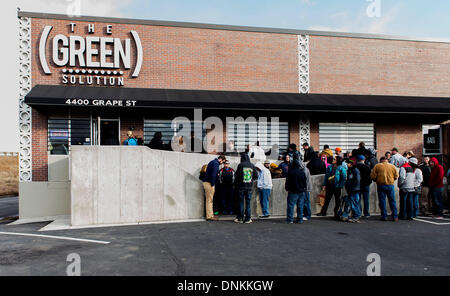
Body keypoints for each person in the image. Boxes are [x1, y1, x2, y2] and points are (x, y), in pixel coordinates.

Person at [371, 156, 399, 221]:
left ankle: (384, 216)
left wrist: (376, 180)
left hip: (381, 185)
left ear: (381, 160)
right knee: (392, 201)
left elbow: (373, 176)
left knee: (382, 201)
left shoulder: (377, 166)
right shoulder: (392, 166)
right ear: (387, 160)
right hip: (390, 185)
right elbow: (396, 176)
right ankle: (395, 216)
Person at [285, 158, 312, 224]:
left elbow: (287, 182)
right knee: (300, 205)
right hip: (301, 191)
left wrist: (287, 188)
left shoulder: (290, 172)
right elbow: (305, 182)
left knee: (291, 205)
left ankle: (290, 219)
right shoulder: (302, 172)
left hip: (293, 191)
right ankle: (300, 219)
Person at [234, 153, 258, 224]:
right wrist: (250, 180)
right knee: (248, 203)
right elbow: (256, 176)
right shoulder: (252, 165)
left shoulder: (240, 165)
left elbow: (236, 176)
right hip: (249, 187)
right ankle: (248, 219)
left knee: (241, 202)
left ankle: (240, 218)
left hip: (241, 187)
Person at [202, 155, 226, 221]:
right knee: (209, 200)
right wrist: (213, 184)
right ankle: (209, 216)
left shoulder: (213, 162)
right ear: (220, 159)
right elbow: (213, 175)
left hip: (207, 182)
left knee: (209, 200)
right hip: (209, 183)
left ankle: (210, 214)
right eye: (223, 162)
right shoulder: (215, 164)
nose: (222, 164)